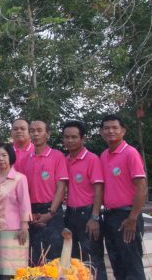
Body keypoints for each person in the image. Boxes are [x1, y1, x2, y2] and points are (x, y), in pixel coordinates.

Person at [99, 114, 147, 279]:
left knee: (132, 265)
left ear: (123, 131)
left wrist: (133, 218)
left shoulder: (130, 153)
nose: (110, 131)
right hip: (109, 216)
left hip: (128, 216)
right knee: (117, 264)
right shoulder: (104, 155)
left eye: (115, 127)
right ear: (101, 132)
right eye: (106, 128)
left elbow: (142, 187)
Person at [61, 120, 106, 279]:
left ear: (83, 138)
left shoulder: (92, 159)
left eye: (74, 137)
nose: (70, 140)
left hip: (87, 214)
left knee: (93, 260)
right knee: (74, 260)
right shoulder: (65, 160)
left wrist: (94, 217)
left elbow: (99, 189)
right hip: (70, 215)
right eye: (67, 137)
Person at [0, 143, 31, 278]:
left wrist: (24, 226)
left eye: (4, 155)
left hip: (14, 231)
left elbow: (25, 203)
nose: (0, 159)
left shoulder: (20, 178)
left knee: (14, 271)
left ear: (10, 157)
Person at [24, 120, 68, 263]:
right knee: (34, 258)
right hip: (32, 213)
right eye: (32, 131)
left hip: (52, 210)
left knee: (53, 259)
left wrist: (50, 213)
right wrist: (29, 213)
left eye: (39, 130)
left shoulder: (57, 156)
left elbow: (61, 187)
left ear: (48, 134)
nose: (35, 134)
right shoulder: (26, 158)